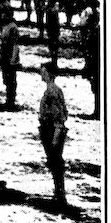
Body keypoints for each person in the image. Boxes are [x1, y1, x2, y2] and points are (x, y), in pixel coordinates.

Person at [38, 62, 69, 206]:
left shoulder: (52, 92)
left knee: (55, 163)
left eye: (43, 72)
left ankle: (60, 195)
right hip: (51, 129)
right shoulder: (55, 90)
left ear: (49, 74)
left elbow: (59, 116)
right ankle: (59, 194)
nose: (41, 74)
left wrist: (56, 135)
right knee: (54, 163)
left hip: (52, 130)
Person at [0, 10, 20, 110]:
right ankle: (8, 99)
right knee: (6, 79)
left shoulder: (13, 28)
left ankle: (11, 101)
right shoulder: (6, 27)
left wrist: (13, 59)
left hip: (10, 56)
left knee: (11, 80)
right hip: (5, 56)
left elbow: (15, 45)